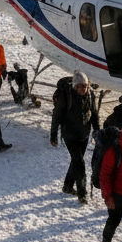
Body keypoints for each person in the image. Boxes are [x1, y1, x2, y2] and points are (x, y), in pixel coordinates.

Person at [50, 71, 100, 203]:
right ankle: (82, 193)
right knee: (80, 163)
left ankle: (67, 186)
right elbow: (57, 115)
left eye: (85, 86)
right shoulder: (66, 96)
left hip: (84, 134)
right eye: (79, 86)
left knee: (76, 161)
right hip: (69, 134)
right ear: (75, 86)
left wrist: (97, 132)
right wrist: (53, 135)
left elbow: (94, 114)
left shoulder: (90, 95)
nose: (82, 89)